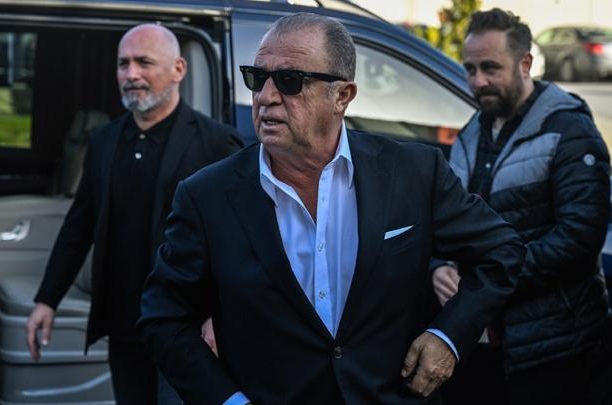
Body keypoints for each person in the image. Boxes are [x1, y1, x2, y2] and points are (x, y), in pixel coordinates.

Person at [138, 12, 526, 405]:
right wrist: (230, 401)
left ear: (342, 96)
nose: (266, 97)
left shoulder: (413, 172)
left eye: (289, 81)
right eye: (257, 78)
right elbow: (164, 319)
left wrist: (448, 337)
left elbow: (502, 251)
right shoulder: (206, 196)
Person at [25, 23, 242, 404]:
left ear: (178, 69)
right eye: (123, 64)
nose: (131, 74)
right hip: (125, 324)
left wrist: (221, 316)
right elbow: (79, 226)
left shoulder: (216, 143)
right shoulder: (104, 140)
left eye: (144, 62)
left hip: (186, 327)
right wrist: (47, 300)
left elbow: (238, 243)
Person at [432, 8, 612, 405]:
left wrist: (487, 281)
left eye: (490, 68)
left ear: (526, 63)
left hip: (557, 347)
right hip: (485, 342)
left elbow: (579, 238)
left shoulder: (569, 129)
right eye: (470, 69)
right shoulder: (473, 130)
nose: (478, 81)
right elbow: (445, 219)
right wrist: (439, 265)